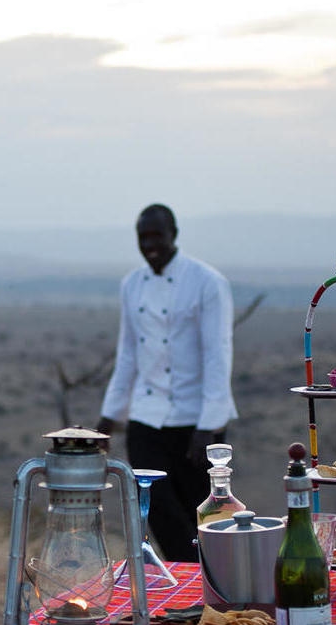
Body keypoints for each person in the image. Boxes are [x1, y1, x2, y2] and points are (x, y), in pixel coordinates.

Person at [97, 203, 238, 562]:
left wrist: (209, 425)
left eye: (157, 235)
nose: (150, 244)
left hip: (196, 421)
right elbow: (128, 354)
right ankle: (185, 578)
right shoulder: (131, 285)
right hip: (146, 417)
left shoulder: (207, 282)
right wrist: (108, 417)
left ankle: (212, 585)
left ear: (173, 234)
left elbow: (217, 355)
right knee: (156, 508)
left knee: (200, 511)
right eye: (143, 237)